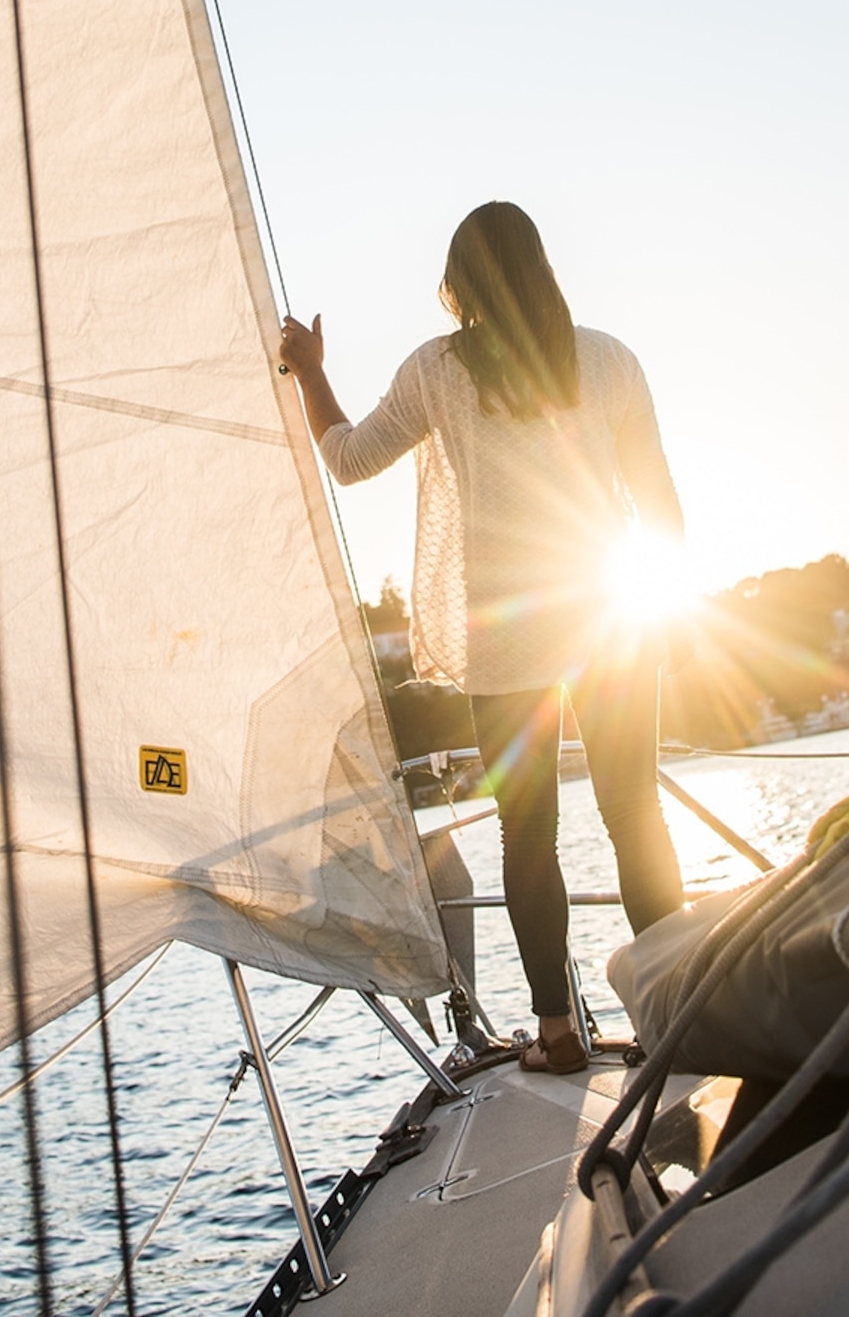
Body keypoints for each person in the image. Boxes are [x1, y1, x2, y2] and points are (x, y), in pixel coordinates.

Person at [276, 201, 685, 1074]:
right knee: (635, 813)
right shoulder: (610, 361)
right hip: (611, 620)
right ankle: (677, 1013)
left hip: (507, 637)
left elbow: (347, 458)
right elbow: (661, 509)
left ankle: (557, 1034)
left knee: (526, 836)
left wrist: (311, 371)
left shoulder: (436, 372)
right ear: (540, 267)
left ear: (458, 284)